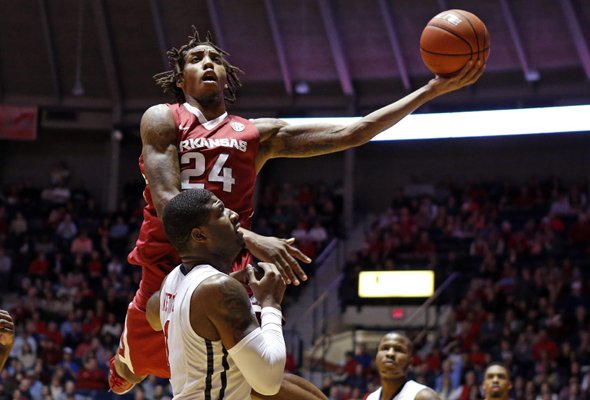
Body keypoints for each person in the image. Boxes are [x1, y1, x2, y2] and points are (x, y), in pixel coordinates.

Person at [110, 26, 485, 393]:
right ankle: (127, 359)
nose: (208, 63)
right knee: (134, 367)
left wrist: (430, 90)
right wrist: (253, 239)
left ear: (226, 77)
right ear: (180, 78)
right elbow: (170, 205)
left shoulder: (256, 134)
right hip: (169, 259)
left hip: (227, 264)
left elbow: (354, 132)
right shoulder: (163, 118)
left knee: (256, 379)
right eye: (196, 59)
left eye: (215, 59)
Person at [144, 188, 298, 398]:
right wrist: (271, 303)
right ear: (199, 235)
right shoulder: (217, 288)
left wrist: (230, 281)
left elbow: (152, 313)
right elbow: (268, 381)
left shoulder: (173, 280)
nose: (234, 215)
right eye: (221, 211)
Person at [365, 332, 439, 400]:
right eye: (385, 348)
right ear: (376, 357)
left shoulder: (423, 396)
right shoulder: (371, 397)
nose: (390, 353)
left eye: (398, 350)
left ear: (410, 362)